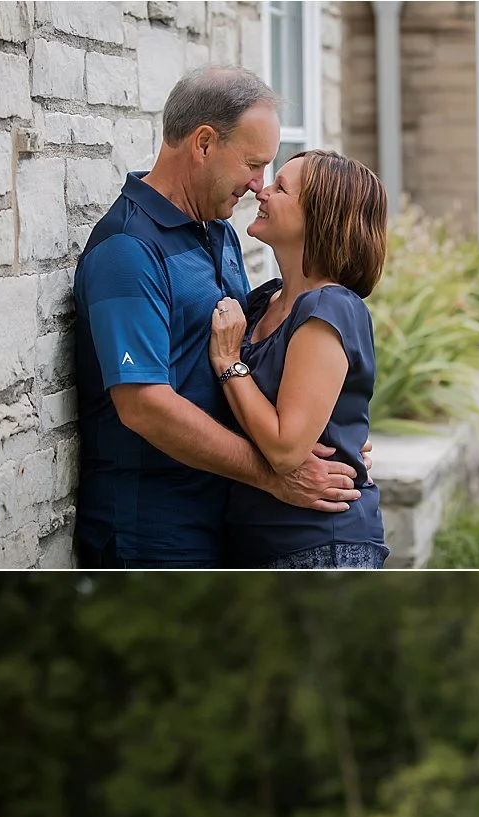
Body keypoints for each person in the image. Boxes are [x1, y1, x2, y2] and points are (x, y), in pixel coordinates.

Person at [72, 67, 363, 566]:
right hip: (152, 534)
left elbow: (249, 360)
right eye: (253, 164)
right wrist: (273, 474)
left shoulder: (219, 232)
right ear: (204, 143)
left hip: (224, 518)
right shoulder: (128, 248)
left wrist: (335, 441)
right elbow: (143, 405)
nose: (258, 186)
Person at [211, 150, 389, 569]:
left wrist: (227, 362)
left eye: (281, 187)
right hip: (258, 543)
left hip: (320, 548)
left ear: (319, 218)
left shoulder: (331, 307)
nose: (262, 191)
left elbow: (286, 448)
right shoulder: (262, 302)